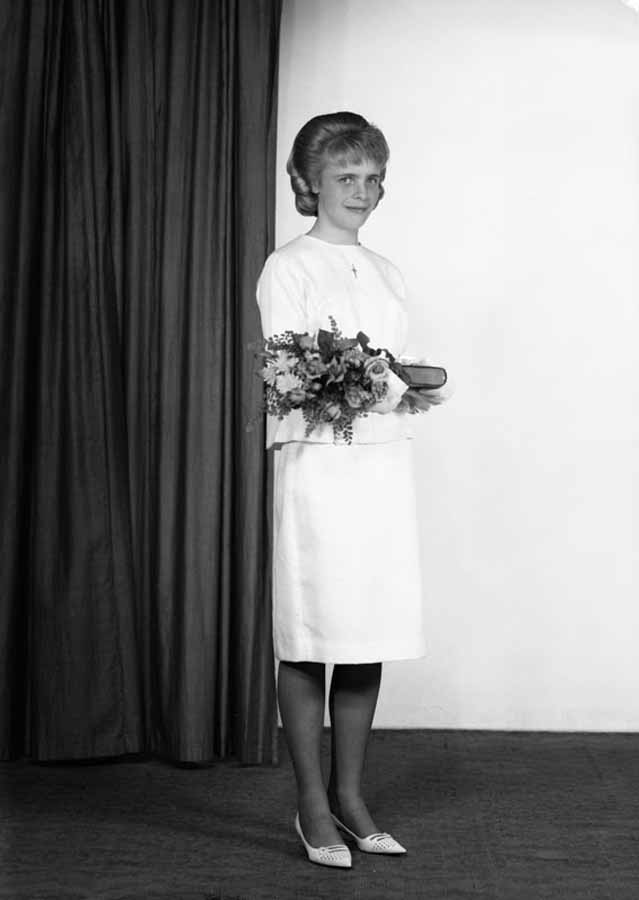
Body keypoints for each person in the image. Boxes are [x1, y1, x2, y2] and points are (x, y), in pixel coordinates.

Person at [256, 111, 448, 869]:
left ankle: (352, 798)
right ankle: (312, 806)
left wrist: (413, 386)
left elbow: (388, 361)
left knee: (367, 632)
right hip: (319, 465)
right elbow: (287, 373)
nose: (362, 190)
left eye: (372, 177)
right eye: (345, 176)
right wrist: (378, 379)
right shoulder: (289, 266)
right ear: (309, 183)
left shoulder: (388, 270)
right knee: (313, 633)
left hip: (380, 465)